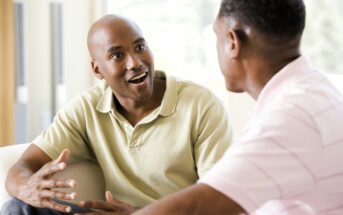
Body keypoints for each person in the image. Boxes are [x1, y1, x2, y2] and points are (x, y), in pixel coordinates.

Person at [1, 15, 232, 214]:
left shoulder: (202, 105)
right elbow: (22, 167)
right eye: (117, 55)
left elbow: (220, 202)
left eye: (140, 47)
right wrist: (26, 188)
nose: (135, 63)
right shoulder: (86, 108)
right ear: (97, 69)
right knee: (16, 209)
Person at [129, 0, 343, 214]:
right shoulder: (314, 92)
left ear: (232, 42)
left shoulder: (293, 116)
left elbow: (195, 207)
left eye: (216, 36)